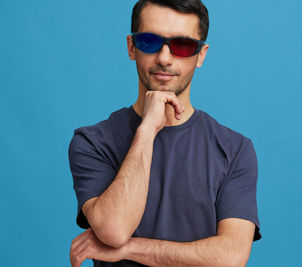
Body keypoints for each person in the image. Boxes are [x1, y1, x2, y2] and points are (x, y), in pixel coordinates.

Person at [68, 0, 261, 266]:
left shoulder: (235, 149)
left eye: (183, 45)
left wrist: (131, 249)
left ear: (201, 55)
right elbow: (114, 230)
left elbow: (231, 257)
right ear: (131, 47)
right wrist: (147, 129)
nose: (164, 58)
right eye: (149, 41)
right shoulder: (93, 142)